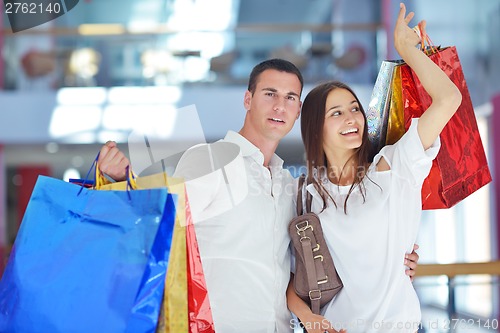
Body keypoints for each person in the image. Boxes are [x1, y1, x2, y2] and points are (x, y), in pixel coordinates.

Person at [98, 58, 421, 332]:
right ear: (247, 99)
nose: (280, 105)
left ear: (298, 113)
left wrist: (393, 259)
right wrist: (120, 181)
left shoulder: (289, 187)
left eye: (291, 97)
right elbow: (158, 225)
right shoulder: (212, 158)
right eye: (270, 94)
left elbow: (305, 264)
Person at [286, 3, 462, 333]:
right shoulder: (306, 194)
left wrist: (407, 50)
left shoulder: (395, 166)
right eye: (335, 113)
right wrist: (309, 319)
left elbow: (448, 99)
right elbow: (292, 278)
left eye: (354, 108)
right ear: (314, 128)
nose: (351, 118)